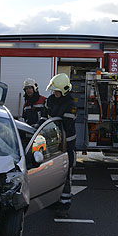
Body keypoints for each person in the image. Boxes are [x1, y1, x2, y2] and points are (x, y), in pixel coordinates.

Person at [45, 73, 77, 218]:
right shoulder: (51, 100)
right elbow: (45, 115)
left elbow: (65, 124)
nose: (54, 93)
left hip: (66, 145)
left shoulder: (71, 105)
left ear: (64, 90)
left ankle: (64, 204)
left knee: (65, 175)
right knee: (52, 173)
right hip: (53, 143)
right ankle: (54, 200)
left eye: (56, 91)